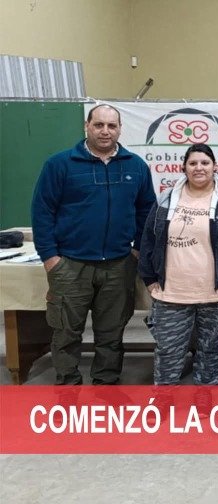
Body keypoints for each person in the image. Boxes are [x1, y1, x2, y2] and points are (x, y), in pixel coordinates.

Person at [31, 104, 156, 385]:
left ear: (120, 129)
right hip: (70, 264)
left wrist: (137, 250)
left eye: (112, 126)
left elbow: (147, 212)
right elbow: (42, 212)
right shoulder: (59, 165)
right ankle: (67, 384)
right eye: (99, 125)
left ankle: (106, 383)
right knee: (66, 331)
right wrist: (50, 258)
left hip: (119, 265)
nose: (105, 131)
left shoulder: (136, 166)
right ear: (86, 126)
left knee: (111, 332)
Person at [139, 144, 218, 385]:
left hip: (217, 293)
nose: (199, 168)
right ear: (183, 167)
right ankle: (164, 398)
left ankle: (205, 397)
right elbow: (149, 239)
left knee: (210, 350)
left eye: (205, 163)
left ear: (215, 167)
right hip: (171, 293)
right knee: (168, 351)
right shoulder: (165, 199)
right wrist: (149, 278)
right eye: (193, 163)